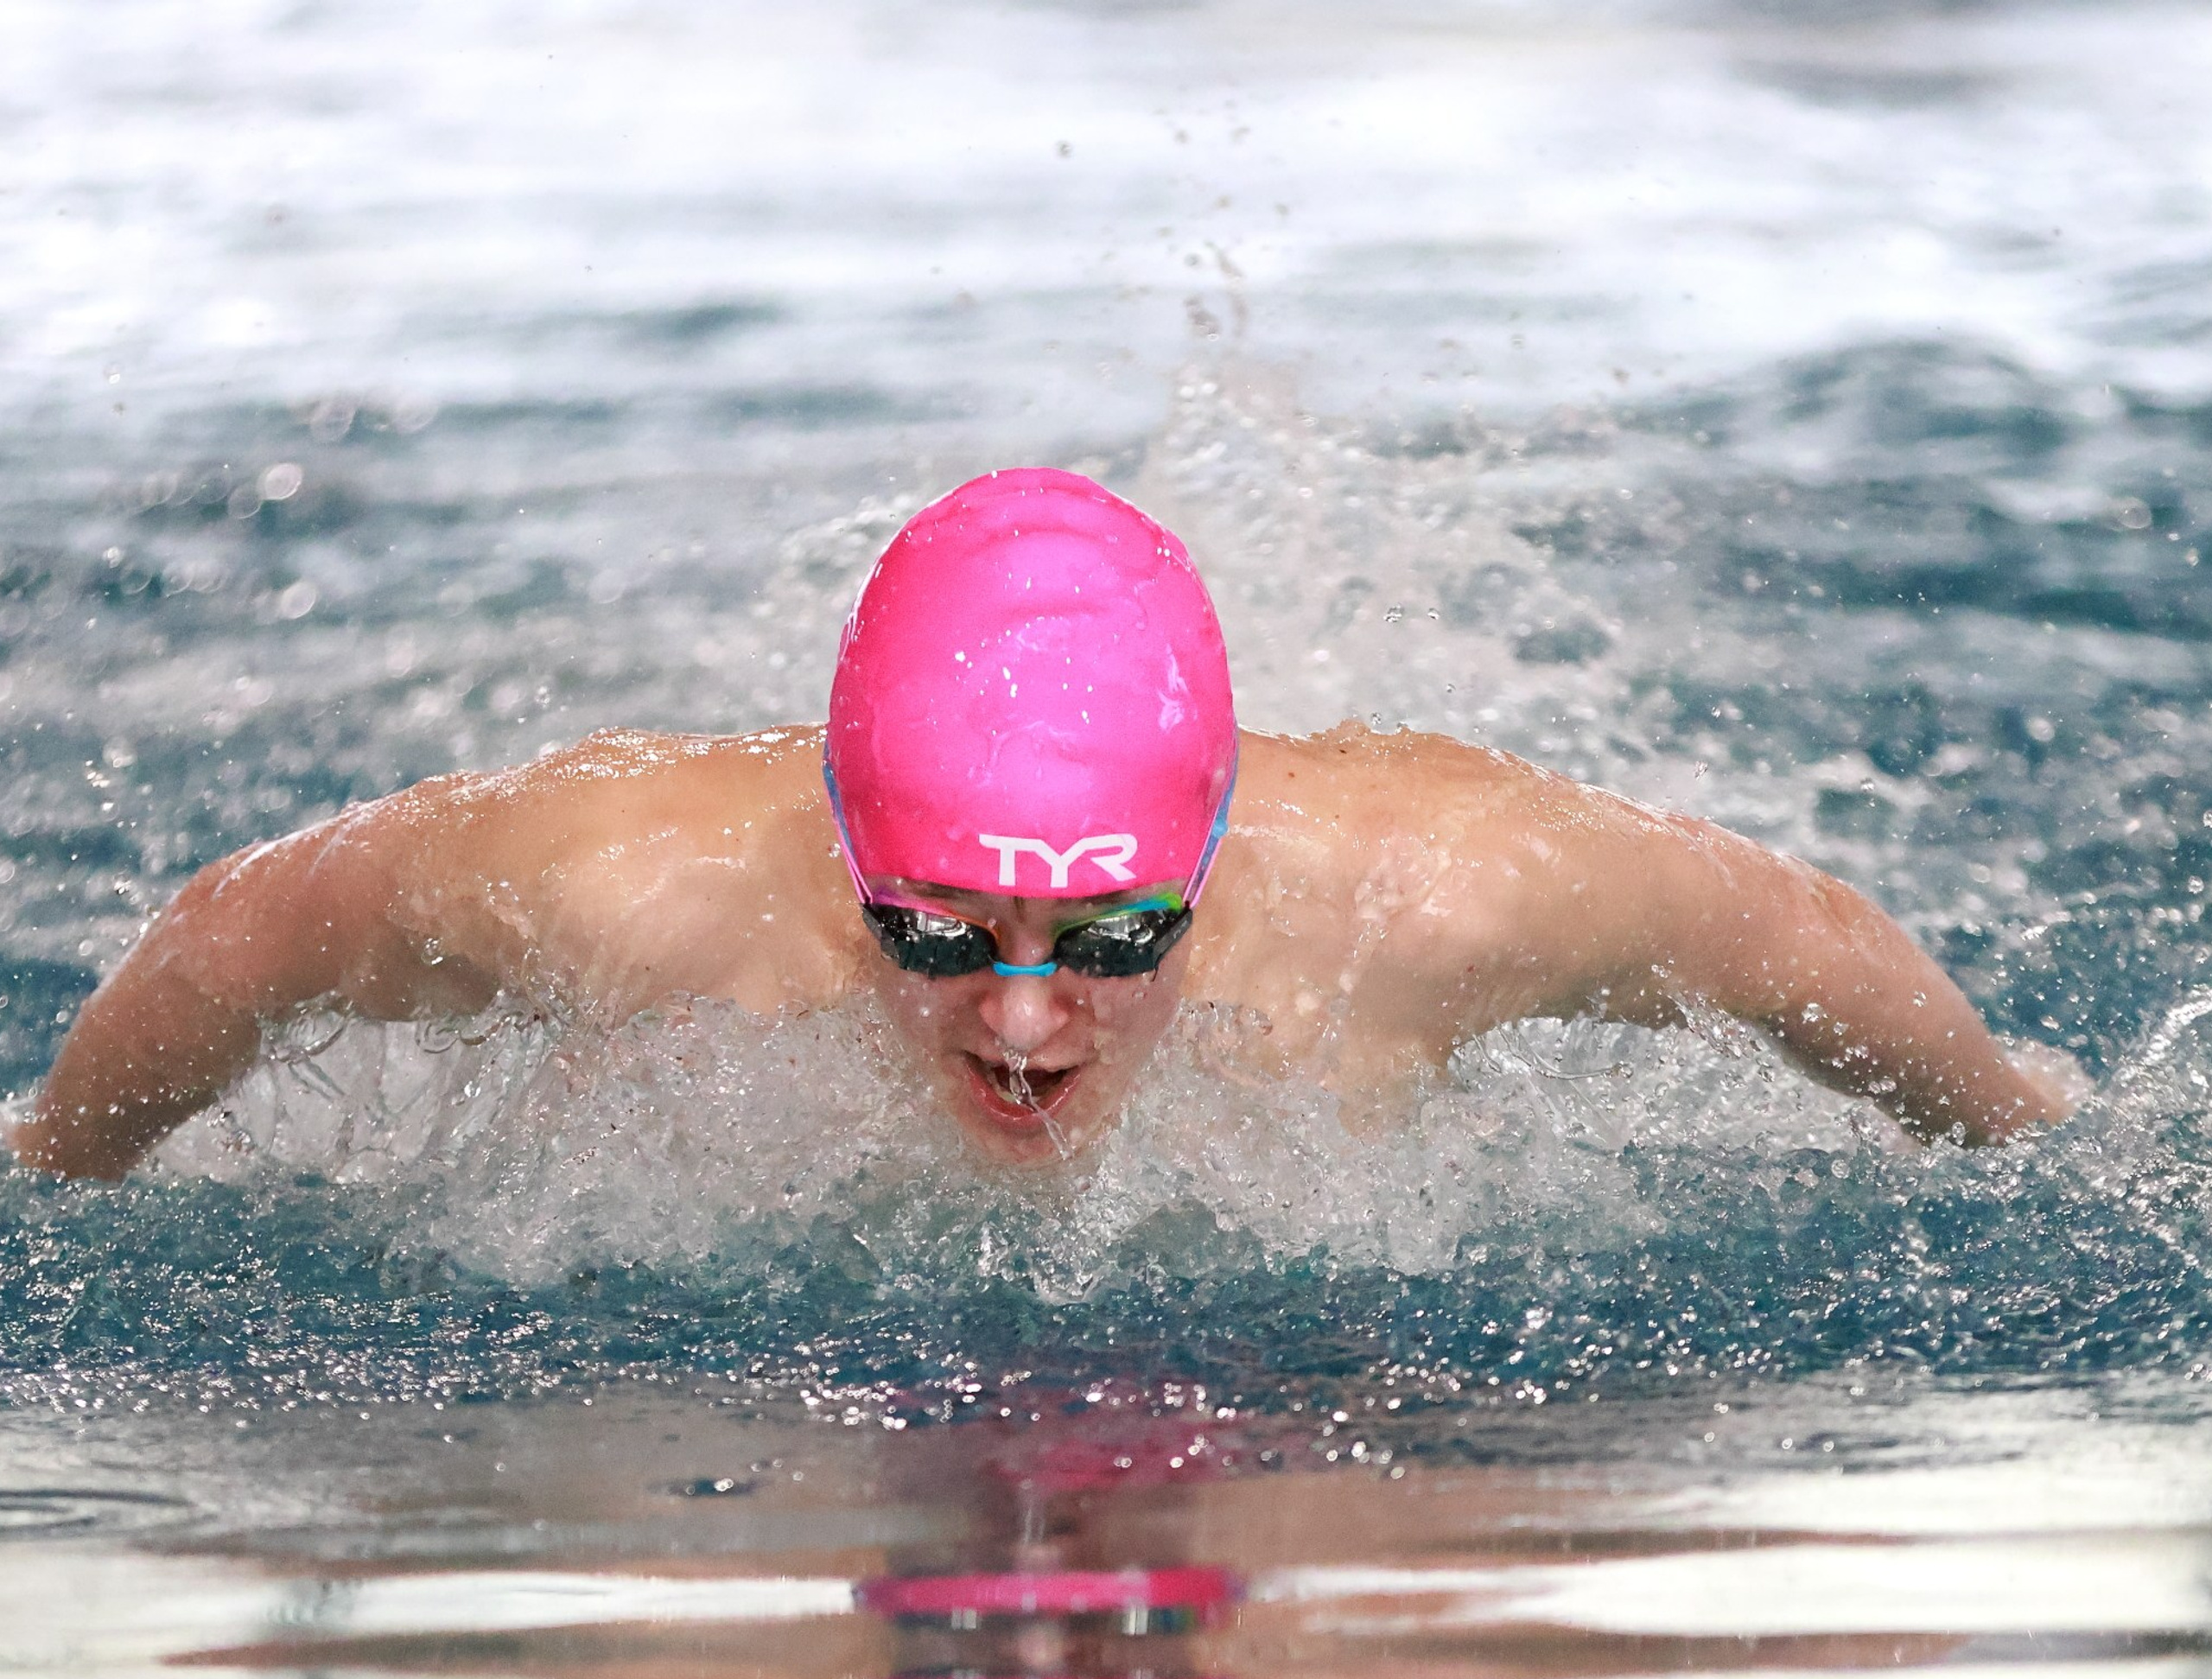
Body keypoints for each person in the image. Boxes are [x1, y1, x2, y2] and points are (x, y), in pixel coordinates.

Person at [7, 467, 2075, 1182]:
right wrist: (46, 1166)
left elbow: (1796, 939)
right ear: (841, 867)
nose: (1018, 1022)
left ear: (1208, 871)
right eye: (935, 937)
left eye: (1104, 944)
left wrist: (2017, 1141)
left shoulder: (1438, 893)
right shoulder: (613, 882)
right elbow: (239, 937)